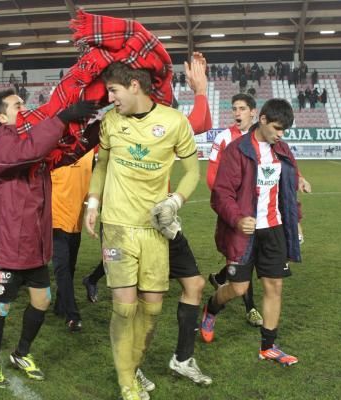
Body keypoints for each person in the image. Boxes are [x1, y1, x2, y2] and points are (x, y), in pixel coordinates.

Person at [82, 53, 213, 392]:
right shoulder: (111, 122)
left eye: (114, 91)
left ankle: (133, 367)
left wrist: (175, 200)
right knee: (125, 308)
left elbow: (192, 172)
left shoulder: (174, 122)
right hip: (118, 226)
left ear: (134, 85)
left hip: (155, 228)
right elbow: (101, 165)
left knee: (152, 310)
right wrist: (93, 203)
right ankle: (127, 383)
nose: (110, 99)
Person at [0, 90, 99, 387]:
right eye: (18, 105)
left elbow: (65, 154)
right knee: (2, 306)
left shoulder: (32, 143)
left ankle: (21, 352)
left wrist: (97, 130)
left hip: (33, 244)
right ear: (1, 117)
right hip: (8, 247)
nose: (26, 108)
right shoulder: (1, 144)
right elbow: (31, 152)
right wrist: (61, 117)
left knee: (42, 300)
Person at [201, 98, 302, 367]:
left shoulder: (282, 149)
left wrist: (297, 220)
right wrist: (237, 219)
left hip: (274, 228)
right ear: (264, 120)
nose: (280, 135)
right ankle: (211, 308)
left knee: (274, 286)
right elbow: (221, 194)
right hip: (242, 232)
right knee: (238, 288)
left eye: (284, 131)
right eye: (277, 129)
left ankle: (267, 347)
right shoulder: (237, 150)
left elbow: (288, 189)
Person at [206, 94, 263, 326]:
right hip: (235, 213)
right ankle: (250, 308)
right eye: (234, 109)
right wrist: (229, 206)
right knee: (243, 255)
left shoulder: (262, 138)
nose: (237, 113)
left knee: (251, 255)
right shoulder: (224, 138)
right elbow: (212, 177)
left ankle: (219, 277)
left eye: (242, 108)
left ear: (253, 112)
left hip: (260, 210)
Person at [51, 150, 95, 332]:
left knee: (69, 267)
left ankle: (60, 306)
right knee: (62, 268)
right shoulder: (53, 151)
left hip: (75, 220)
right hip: (53, 220)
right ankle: (73, 315)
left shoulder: (89, 152)